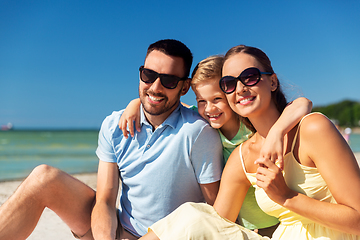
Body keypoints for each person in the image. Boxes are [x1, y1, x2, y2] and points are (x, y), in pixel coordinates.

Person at [0, 39, 223, 240]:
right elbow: (105, 200)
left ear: (184, 87)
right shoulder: (114, 125)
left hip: (165, 237)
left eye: (169, 81)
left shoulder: (198, 132)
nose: (155, 87)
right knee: (43, 178)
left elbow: (215, 211)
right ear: (140, 74)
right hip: (115, 230)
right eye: (148, 75)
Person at [138, 45, 360, 240]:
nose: (241, 88)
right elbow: (215, 223)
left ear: (272, 81)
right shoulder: (242, 157)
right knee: (192, 216)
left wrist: (287, 197)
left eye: (250, 77)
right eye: (229, 83)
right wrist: (137, 105)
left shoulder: (312, 129)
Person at [119, 55, 312, 237]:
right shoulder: (205, 125)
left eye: (217, 99)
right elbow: (171, 105)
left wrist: (276, 132)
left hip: (270, 224)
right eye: (201, 101)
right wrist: (136, 103)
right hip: (235, 223)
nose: (209, 108)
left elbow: (302, 103)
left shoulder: (251, 129)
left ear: (230, 92)